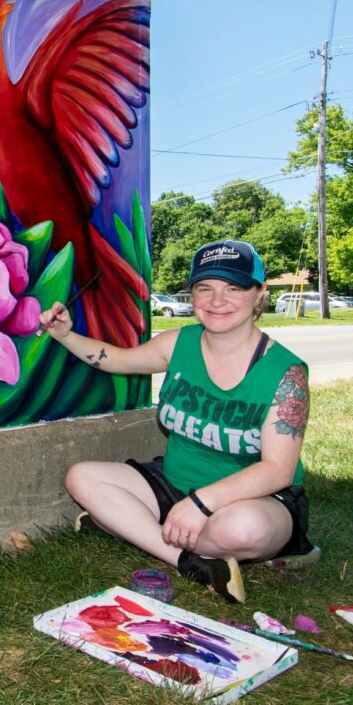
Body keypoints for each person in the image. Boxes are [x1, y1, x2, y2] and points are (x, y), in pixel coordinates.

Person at [38, 240, 316, 603]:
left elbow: (278, 470)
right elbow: (118, 360)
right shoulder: (178, 343)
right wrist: (64, 334)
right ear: (193, 295)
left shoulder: (286, 372)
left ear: (259, 294)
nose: (217, 301)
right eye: (205, 289)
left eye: (233, 288)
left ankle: (129, 526)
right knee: (82, 476)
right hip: (173, 484)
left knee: (244, 530)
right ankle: (189, 561)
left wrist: (201, 504)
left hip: (253, 500)